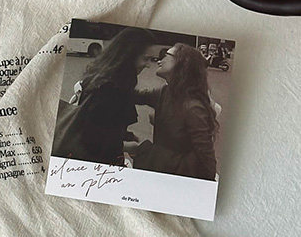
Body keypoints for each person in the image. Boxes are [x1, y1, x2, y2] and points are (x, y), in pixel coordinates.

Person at [52, 28, 153, 165]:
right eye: (145, 58)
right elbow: (93, 140)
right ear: (129, 55)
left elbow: (104, 124)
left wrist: (126, 136)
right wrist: (127, 147)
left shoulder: (105, 76)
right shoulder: (113, 89)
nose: (148, 65)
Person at [132, 43, 218, 180]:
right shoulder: (165, 92)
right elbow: (134, 95)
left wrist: (143, 150)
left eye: (166, 55)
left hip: (178, 176)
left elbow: (205, 158)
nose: (159, 61)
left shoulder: (193, 108)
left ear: (182, 62)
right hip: (166, 170)